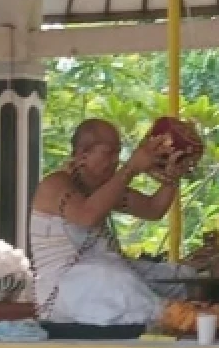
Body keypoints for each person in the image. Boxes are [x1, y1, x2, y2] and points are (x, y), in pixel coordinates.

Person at [29, 119, 196, 328]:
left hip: (106, 270)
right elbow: (87, 215)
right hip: (64, 288)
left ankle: (177, 312)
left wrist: (172, 178)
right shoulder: (54, 184)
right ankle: (173, 315)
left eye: (118, 152)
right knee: (113, 278)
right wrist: (130, 168)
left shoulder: (103, 186)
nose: (115, 160)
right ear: (82, 154)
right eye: (108, 153)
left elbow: (153, 209)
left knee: (182, 278)